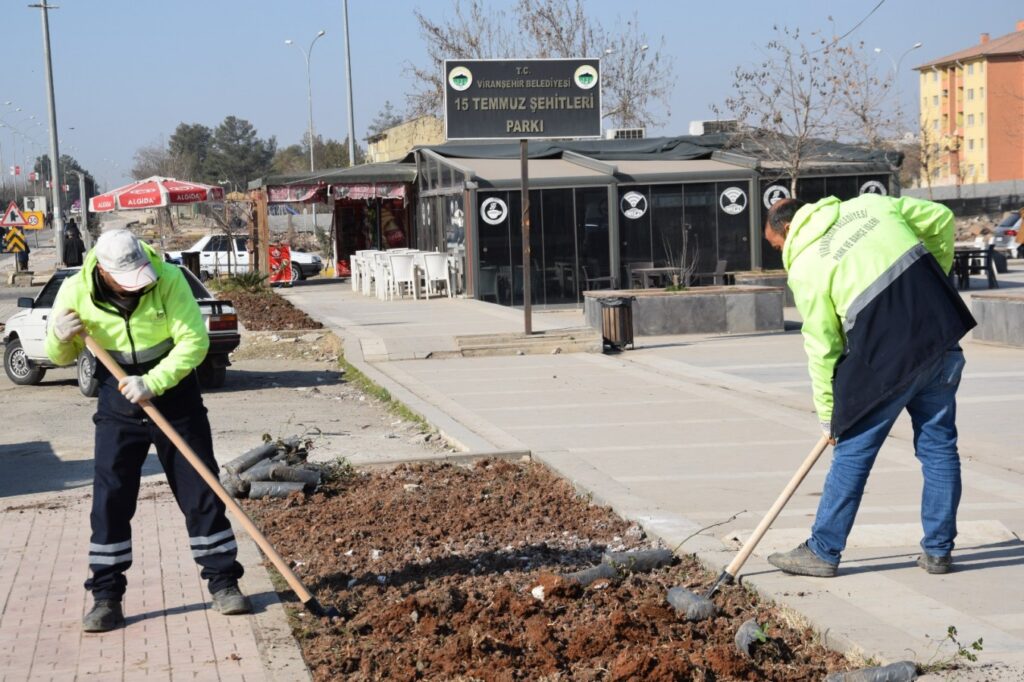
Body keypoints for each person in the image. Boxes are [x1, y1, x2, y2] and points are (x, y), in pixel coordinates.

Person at [45, 229, 250, 633]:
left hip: (175, 394)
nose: (139, 284)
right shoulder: (75, 291)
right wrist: (59, 336)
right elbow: (60, 355)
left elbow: (194, 343)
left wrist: (153, 383)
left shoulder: (168, 278)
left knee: (202, 490)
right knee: (111, 499)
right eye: (128, 279)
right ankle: (106, 597)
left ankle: (224, 583)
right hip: (117, 396)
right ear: (104, 272)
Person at [763, 195, 976, 578]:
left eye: (777, 246)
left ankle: (823, 551)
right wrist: (937, 277)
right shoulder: (873, 206)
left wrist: (829, 416)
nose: (781, 255)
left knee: (852, 452)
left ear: (789, 228)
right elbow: (942, 218)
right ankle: (938, 551)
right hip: (939, 333)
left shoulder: (807, 266)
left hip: (884, 359)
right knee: (939, 448)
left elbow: (822, 347)